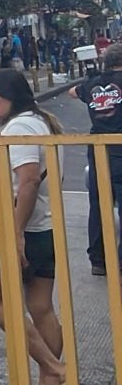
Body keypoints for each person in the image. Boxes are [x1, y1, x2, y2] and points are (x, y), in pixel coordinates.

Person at [0, 70, 65, 385]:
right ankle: (51, 377)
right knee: (40, 307)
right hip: (43, 227)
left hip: (24, 227)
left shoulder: (22, 125)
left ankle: (54, 368)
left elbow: (27, 180)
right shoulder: (38, 121)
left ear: (9, 96)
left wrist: (14, 234)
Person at [72, 43, 122, 276]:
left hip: (99, 149)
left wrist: (95, 80)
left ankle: (98, 259)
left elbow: (73, 92)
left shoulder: (92, 84)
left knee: (99, 204)